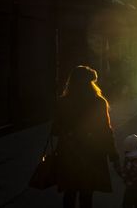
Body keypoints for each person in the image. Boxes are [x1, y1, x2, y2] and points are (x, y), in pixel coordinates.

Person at [52, 65, 121, 208]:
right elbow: (106, 131)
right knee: (86, 193)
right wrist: (114, 156)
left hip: (68, 154)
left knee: (69, 192)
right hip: (91, 153)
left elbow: (55, 131)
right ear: (90, 83)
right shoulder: (99, 102)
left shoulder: (63, 102)